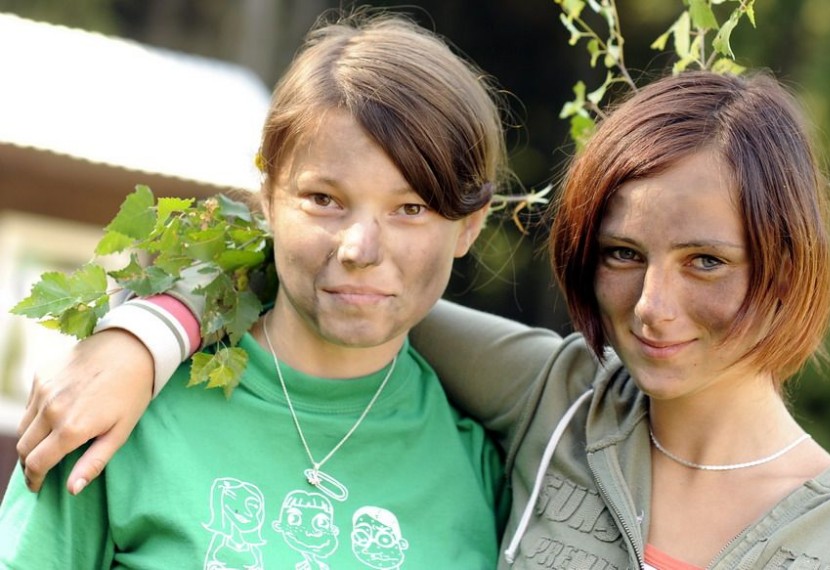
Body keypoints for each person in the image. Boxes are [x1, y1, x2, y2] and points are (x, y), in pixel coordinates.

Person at [11, 71, 830, 568]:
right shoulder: (555, 403)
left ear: (787, 261)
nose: (651, 307)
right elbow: (336, 281)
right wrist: (146, 334)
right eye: (621, 254)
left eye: (706, 261)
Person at [0, 10, 513, 569]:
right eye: (324, 200)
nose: (358, 248)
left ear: (470, 225)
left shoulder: (485, 475)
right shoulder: (112, 412)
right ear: (268, 198)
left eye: (410, 208)